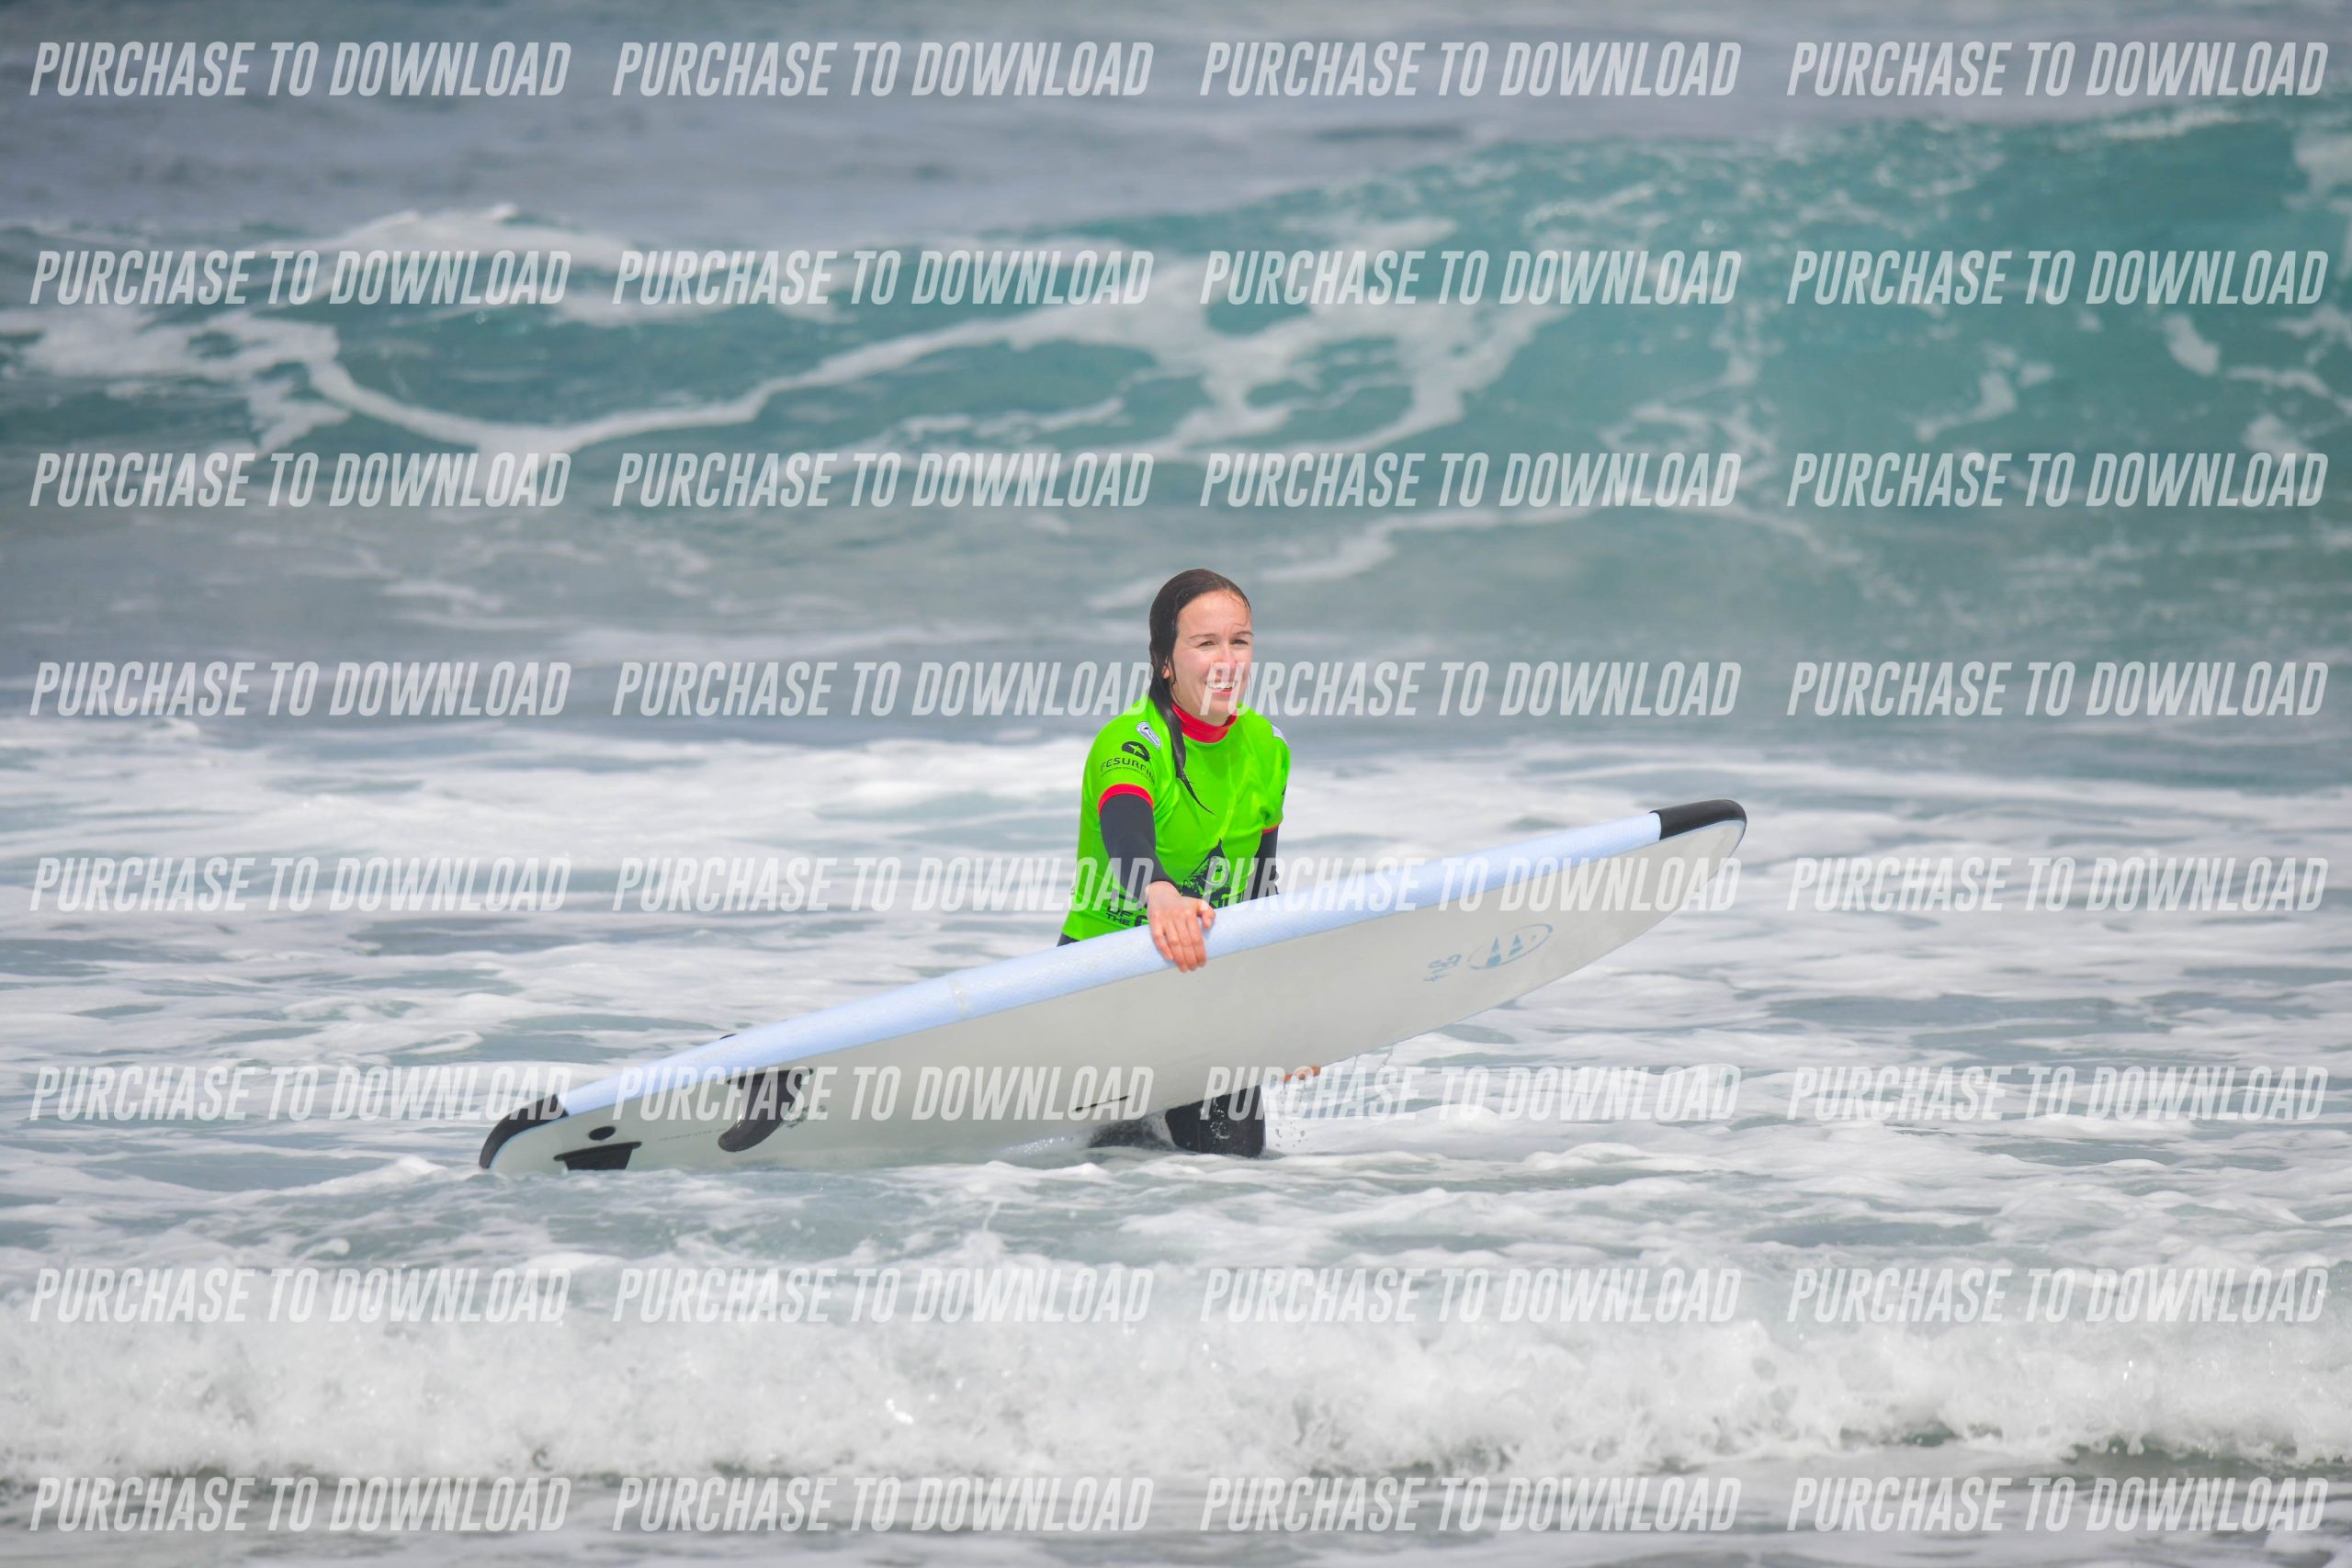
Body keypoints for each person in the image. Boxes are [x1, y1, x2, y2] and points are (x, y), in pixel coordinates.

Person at [1058, 568, 1288, 1155]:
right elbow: (1125, 830)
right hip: (1110, 977)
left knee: (1237, 1169)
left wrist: (1288, 1012)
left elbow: (1262, 888)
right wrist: (1158, 891)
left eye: (1240, 641)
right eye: (1205, 643)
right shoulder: (1130, 741)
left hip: (1207, 985)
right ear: (1165, 660)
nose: (1227, 661)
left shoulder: (1268, 748)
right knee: (1123, 1164)